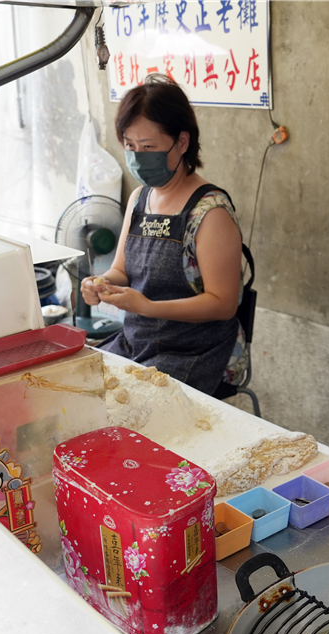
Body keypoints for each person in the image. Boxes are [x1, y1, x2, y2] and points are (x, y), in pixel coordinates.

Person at [82, 74, 246, 396]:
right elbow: (122, 270)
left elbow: (222, 304)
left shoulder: (210, 213)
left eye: (149, 147)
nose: (137, 156)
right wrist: (101, 283)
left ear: (182, 143)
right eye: (130, 145)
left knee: (132, 408)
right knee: (81, 391)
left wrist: (148, 307)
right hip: (137, 341)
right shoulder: (140, 199)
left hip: (194, 351)